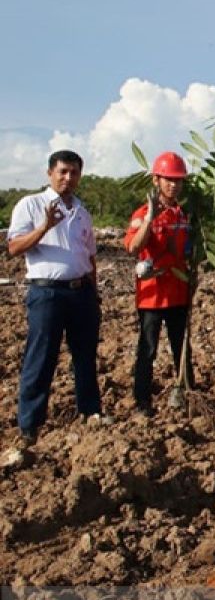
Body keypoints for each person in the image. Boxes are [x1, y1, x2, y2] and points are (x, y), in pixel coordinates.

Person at [8, 150, 103, 443]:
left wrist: (94, 292)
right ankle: (29, 426)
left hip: (81, 292)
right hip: (47, 292)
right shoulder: (31, 205)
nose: (68, 178)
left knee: (85, 356)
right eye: (62, 172)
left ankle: (90, 412)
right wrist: (44, 227)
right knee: (41, 357)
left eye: (74, 172)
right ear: (49, 173)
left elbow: (90, 256)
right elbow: (14, 247)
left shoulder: (82, 211)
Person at [124, 151, 194, 416]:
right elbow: (133, 246)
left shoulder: (185, 214)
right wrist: (151, 218)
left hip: (179, 292)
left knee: (182, 347)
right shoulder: (143, 214)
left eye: (178, 180)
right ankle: (142, 402)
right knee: (148, 349)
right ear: (156, 180)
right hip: (152, 296)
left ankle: (187, 392)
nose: (173, 185)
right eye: (168, 179)